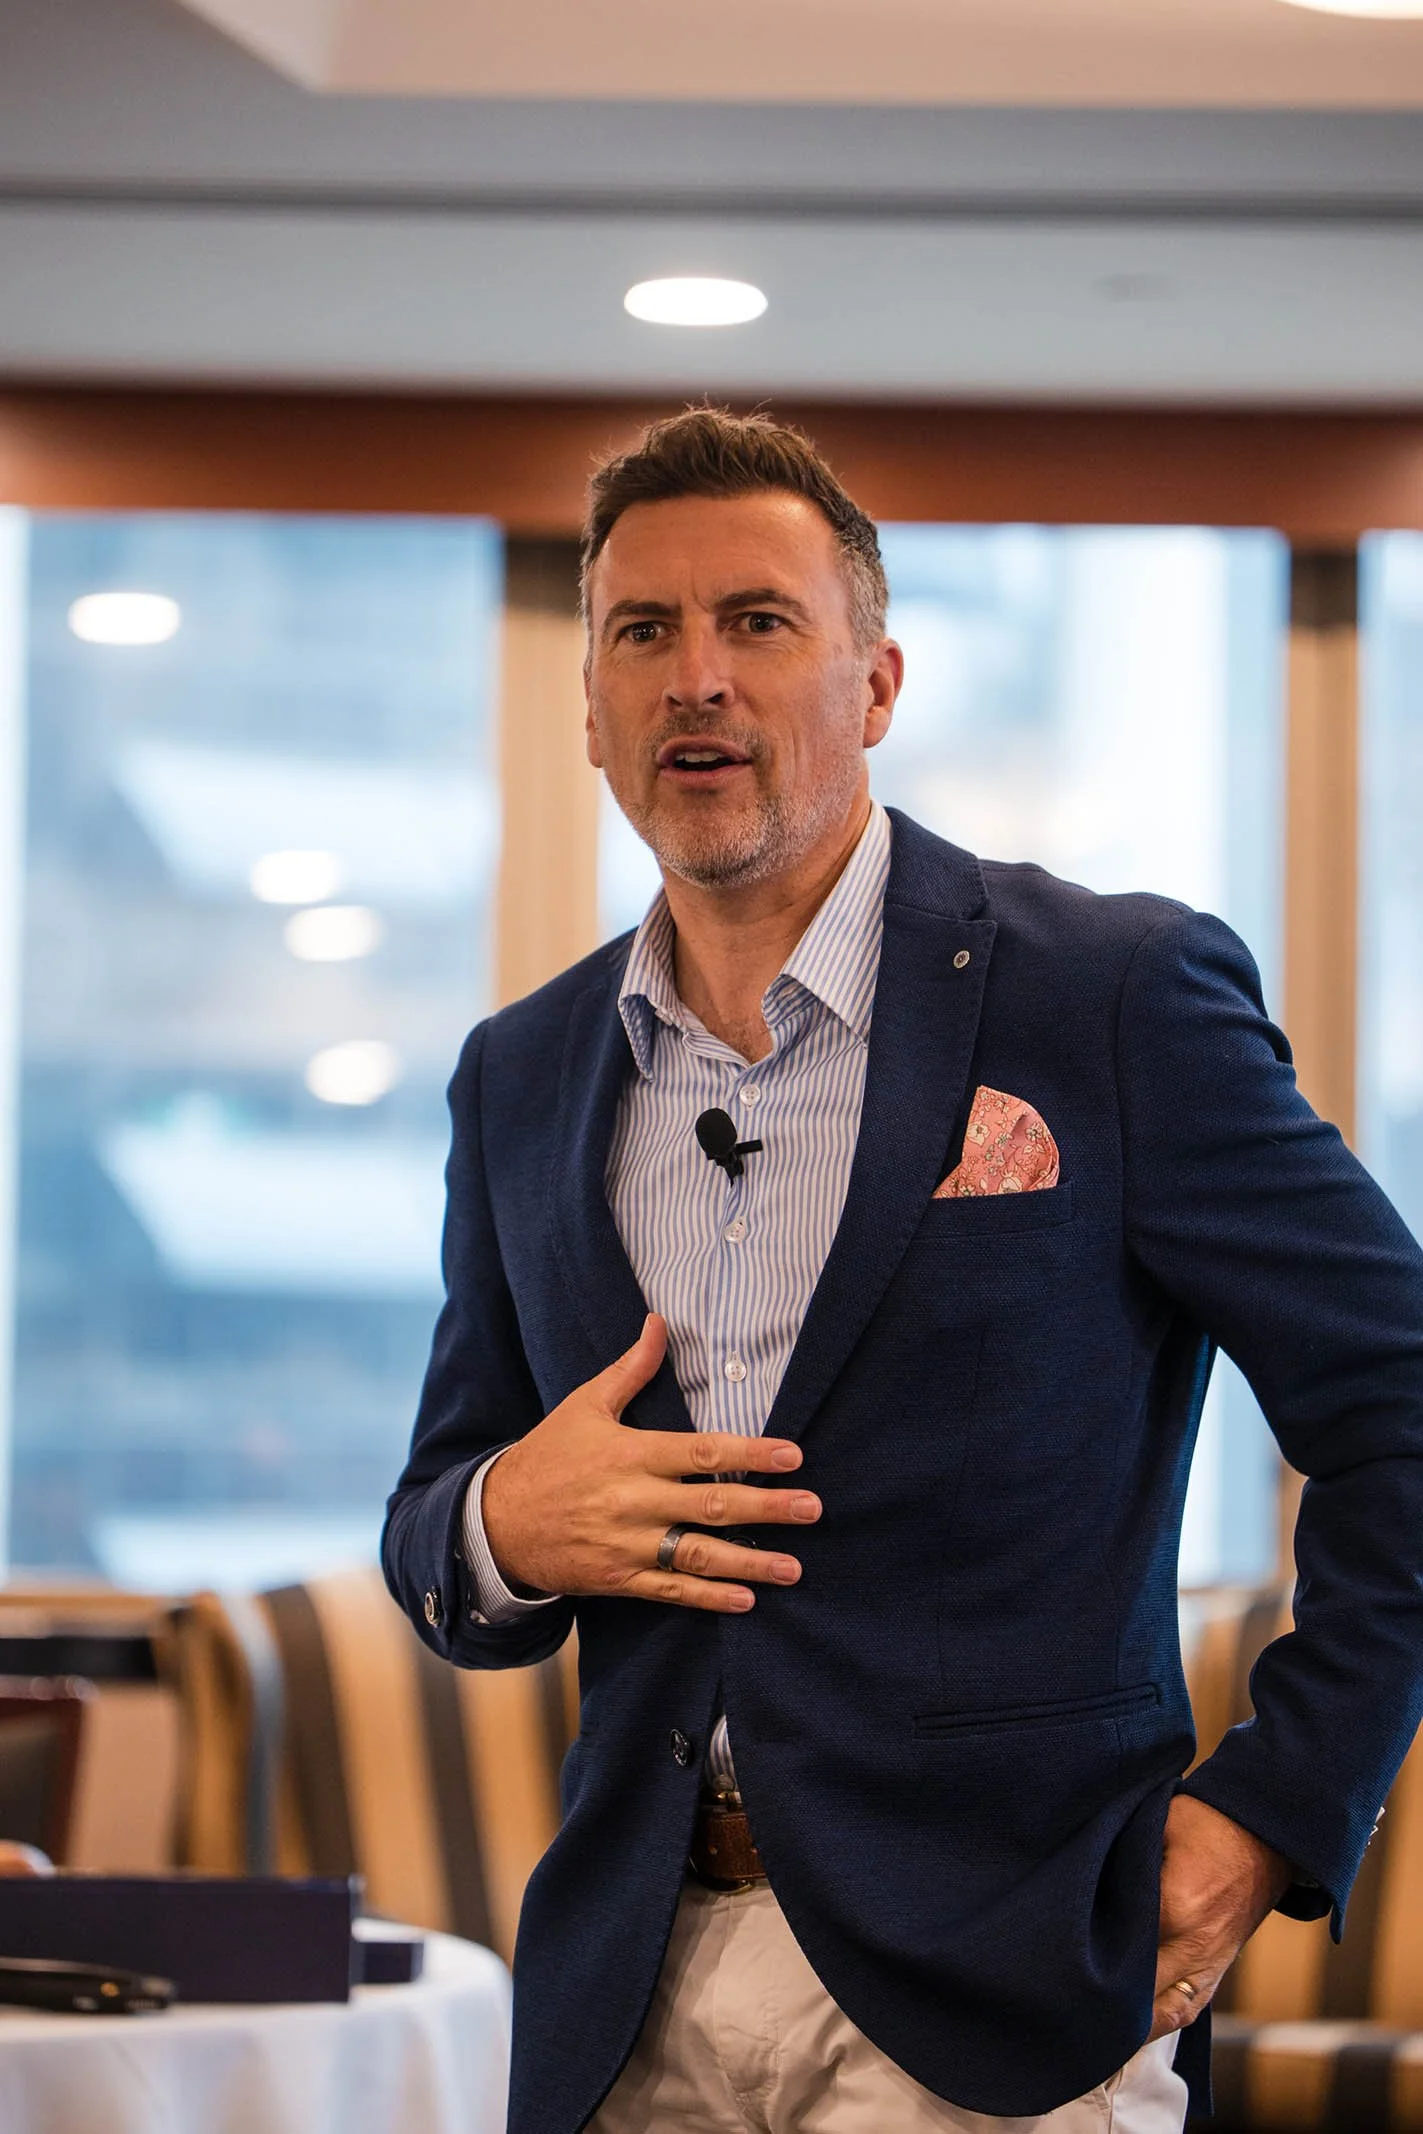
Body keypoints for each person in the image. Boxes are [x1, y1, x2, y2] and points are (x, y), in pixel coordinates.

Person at [383, 408, 1423, 2134]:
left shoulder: (1108, 995)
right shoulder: (522, 1069)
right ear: (586, 708)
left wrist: (1272, 1810)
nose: (694, 678)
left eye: (758, 623)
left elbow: (1399, 1402)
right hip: (627, 1992)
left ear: (874, 683)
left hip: (1003, 1987)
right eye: (642, 632)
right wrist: (505, 1523)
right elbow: (437, 1512)